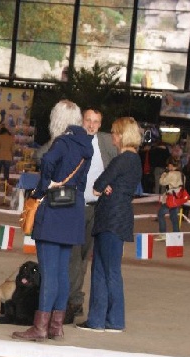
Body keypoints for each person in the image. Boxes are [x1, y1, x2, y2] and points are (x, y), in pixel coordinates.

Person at [13, 100, 92, 342]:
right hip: (74, 208)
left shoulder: (62, 142)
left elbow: (46, 160)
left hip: (54, 209)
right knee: (62, 273)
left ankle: (39, 327)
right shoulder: (86, 145)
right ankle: (56, 326)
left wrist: (45, 184)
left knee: (48, 272)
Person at [76, 117, 142, 333]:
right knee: (110, 269)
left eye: (114, 132)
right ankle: (109, 320)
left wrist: (105, 187)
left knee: (103, 271)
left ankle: (103, 320)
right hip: (122, 217)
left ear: (122, 135)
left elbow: (97, 186)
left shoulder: (120, 160)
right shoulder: (136, 160)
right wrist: (108, 187)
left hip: (109, 218)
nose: (112, 136)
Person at [64, 108, 119, 323]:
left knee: (84, 257)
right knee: (73, 256)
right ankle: (70, 301)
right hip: (74, 206)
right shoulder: (71, 140)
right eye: (88, 120)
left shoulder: (106, 143)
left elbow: (123, 163)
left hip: (97, 208)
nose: (91, 125)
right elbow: (43, 155)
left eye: (96, 122)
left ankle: (75, 301)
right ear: (81, 121)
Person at [156, 157, 185, 238]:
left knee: (160, 214)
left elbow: (162, 182)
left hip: (171, 198)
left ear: (171, 165)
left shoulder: (171, 174)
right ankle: (177, 234)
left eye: (168, 165)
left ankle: (163, 234)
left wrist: (164, 174)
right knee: (173, 216)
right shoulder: (182, 174)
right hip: (179, 198)